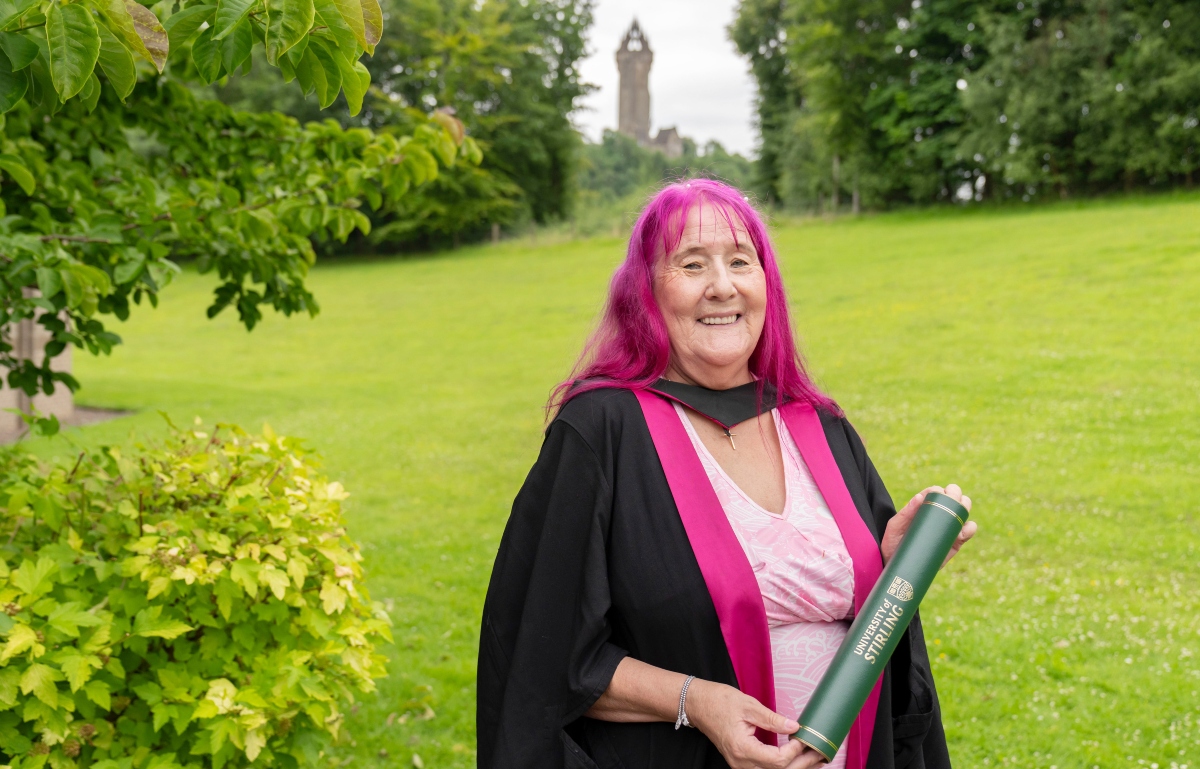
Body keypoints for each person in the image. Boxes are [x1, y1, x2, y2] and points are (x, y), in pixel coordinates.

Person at [477, 180, 977, 769]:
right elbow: (540, 651)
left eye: (741, 261)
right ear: (646, 292)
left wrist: (888, 561)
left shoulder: (817, 425)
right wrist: (697, 701)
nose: (722, 286)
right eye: (692, 264)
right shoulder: (603, 431)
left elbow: (880, 643)